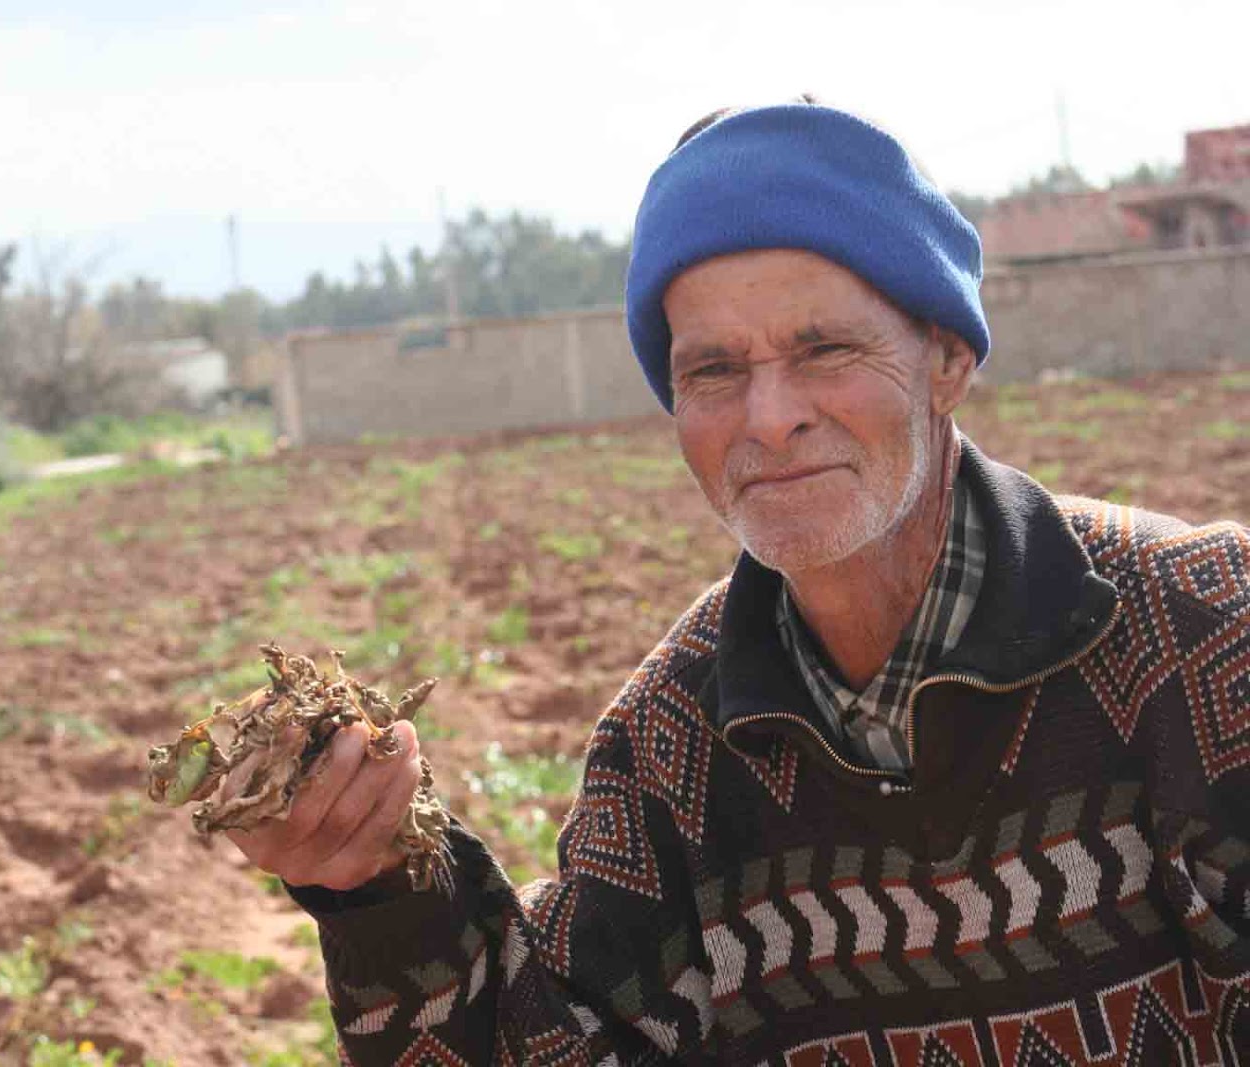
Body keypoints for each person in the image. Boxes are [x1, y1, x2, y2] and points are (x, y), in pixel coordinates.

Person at [227, 102, 1250, 1064]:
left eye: (825, 348)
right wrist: (382, 888)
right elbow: (560, 1042)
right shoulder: (670, 738)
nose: (768, 416)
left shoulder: (1201, 628)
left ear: (945, 359)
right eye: (713, 370)